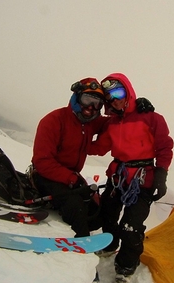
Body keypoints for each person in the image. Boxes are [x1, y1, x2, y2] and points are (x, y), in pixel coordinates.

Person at [31, 77, 155, 238]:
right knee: (76, 206)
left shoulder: (90, 122)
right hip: (46, 175)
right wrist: (71, 178)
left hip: (71, 177)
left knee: (97, 213)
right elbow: (42, 161)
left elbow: (116, 121)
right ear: (76, 97)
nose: (90, 107)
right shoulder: (53, 121)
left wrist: (135, 108)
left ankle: (69, 220)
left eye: (97, 104)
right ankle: (81, 240)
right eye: (87, 100)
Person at [88, 73, 174, 283]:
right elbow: (100, 147)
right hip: (118, 177)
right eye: (110, 97)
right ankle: (109, 246)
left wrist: (161, 174)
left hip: (142, 180)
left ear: (128, 91)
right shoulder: (112, 123)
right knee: (108, 214)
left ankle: (126, 267)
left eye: (118, 92)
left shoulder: (152, 118)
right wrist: (78, 144)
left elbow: (164, 147)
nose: (115, 100)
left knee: (131, 225)